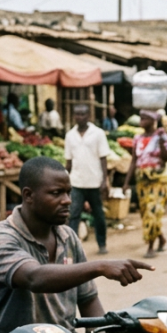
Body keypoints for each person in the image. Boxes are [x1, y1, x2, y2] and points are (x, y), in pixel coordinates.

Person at [0, 157, 154, 333]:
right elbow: (34, 277)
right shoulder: (0, 239)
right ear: (28, 195)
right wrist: (100, 266)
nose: (67, 201)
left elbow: (89, 299)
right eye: (56, 193)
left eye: (69, 193)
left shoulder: (67, 236)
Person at [122, 110, 167, 259]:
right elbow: (134, 161)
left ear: (153, 120)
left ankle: (151, 246)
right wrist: (126, 182)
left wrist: (162, 140)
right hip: (142, 181)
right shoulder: (137, 138)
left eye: (145, 118)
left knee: (153, 211)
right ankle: (162, 239)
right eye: (141, 118)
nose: (141, 121)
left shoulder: (160, 136)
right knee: (146, 213)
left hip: (158, 180)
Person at [65, 104, 110, 255]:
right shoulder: (70, 136)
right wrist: (65, 182)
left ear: (88, 116)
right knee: (73, 215)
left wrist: (105, 180)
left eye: (83, 114)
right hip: (76, 182)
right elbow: (69, 162)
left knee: (98, 214)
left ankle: (102, 243)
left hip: (94, 182)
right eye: (77, 114)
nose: (80, 117)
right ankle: (72, 247)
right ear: (74, 116)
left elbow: (103, 158)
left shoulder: (98, 133)